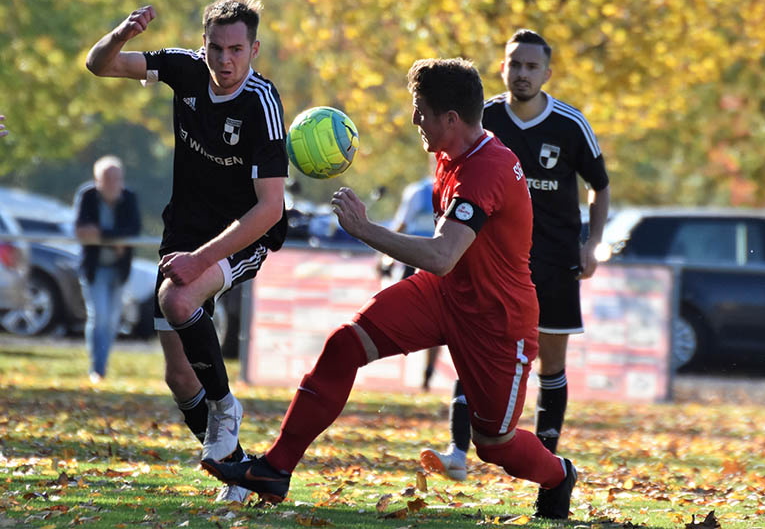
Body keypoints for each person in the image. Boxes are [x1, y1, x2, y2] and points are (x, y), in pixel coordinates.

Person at [201, 57, 578, 519]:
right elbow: (444, 266)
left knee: (492, 445)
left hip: (497, 321)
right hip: (443, 294)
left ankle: (559, 475)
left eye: (421, 109)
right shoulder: (451, 149)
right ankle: (276, 469)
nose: (415, 117)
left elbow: (442, 254)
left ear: (451, 120)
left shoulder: (486, 170)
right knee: (344, 345)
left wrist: (364, 229)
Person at [85, 0, 288, 503]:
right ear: (203, 45)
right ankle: (238, 471)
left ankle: (225, 408)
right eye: (216, 48)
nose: (225, 61)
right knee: (178, 375)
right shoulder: (185, 69)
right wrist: (122, 35)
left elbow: (269, 209)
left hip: (244, 234)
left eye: (236, 50)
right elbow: (99, 64)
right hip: (183, 233)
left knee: (177, 300)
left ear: (254, 48)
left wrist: (201, 260)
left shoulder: (263, 102)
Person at [420, 29, 610, 486]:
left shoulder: (570, 124)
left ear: (547, 72)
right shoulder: (478, 119)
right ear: (502, 68)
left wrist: (592, 243)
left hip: (554, 258)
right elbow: (446, 169)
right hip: (492, 261)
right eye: (514, 64)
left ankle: (546, 459)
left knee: (552, 361)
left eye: (531, 66)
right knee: (471, 347)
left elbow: (599, 186)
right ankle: (456, 452)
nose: (522, 73)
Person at [74, 156, 141, 383]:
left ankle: (101, 366)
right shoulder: (87, 196)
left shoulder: (129, 198)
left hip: (119, 269)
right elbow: (82, 230)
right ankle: (97, 369)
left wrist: (101, 234)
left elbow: (133, 229)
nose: (113, 183)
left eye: (117, 178)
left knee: (112, 321)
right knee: (99, 317)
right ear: (97, 180)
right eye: (107, 178)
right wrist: (114, 238)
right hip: (94, 269)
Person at [382, 172, 441, 390]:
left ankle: (426, 374)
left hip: (425, 261)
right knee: (433, 321)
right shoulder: (422, 191)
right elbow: (402, 225)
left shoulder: (418, 191)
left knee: (428, 320)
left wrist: (384, 259)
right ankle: (426, 374)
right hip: (429, 261)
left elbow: (401, 225)